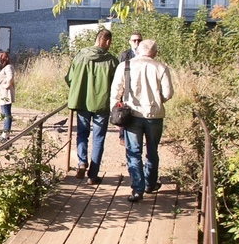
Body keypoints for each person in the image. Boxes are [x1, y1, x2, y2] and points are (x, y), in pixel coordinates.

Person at [110, 39, 174, 202]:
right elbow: (168, 93)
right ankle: (150, 184)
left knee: (133, 152)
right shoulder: (161, 67)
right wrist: (157, 101)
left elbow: (116, 91)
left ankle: (137, 189)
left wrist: (116, 111)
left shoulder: (124, 66)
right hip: (154, 115)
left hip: (132, 115)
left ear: (137, 50)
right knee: (152, 150)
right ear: (155, 53)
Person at [65, 28, 118, 184]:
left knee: (82, 133)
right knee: (98, 138)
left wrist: (80, 90)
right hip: (102, 104)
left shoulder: (80, 56)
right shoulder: (112, 61)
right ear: (107, 41)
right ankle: (93, 175)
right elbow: (117, 84)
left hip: (82, 102)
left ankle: (82, 162)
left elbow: (69, 78)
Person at [117, 32, 142, 145]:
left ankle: (137, 136)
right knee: (124, 112)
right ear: (130, 42)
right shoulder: (125, 55)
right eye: (134, 40)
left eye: (139, 40)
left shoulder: (145, 54)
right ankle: (122, 136)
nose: (137, 42)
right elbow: (120, 72)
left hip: (140, 88)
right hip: (127, 87)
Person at [0, 51, 15, 139]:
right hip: (2, 94)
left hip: (6, 94)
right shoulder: (3, 68)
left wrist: (6, 85)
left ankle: (6, 134)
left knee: (7, 114)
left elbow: (10, 77)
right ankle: (5, 132)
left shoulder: (8, 67)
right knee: (4, 113)